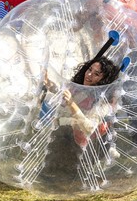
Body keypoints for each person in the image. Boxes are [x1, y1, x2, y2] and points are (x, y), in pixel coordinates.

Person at [40, 57, 121, 185]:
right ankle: (56, 170)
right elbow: (61, 93)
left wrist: (71, 104)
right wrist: (48, 83)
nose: (89, 75)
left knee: (62, 129)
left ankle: (77, 169)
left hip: (90, 146)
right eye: (89, 69)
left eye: (96, 74)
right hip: (71, 139)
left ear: (104, 81)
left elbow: (89, 128)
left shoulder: (103, 103)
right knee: (60, 129)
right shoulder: (80, 88)